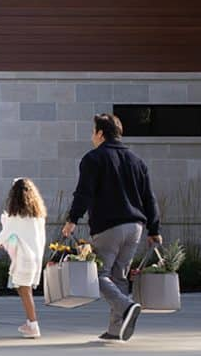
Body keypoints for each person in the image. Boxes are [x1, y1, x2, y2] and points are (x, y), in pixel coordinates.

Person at [63, 113, 162, 342]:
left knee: (95, 274)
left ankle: (126, 307)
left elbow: (83, 193)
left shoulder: (93, 159)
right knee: (119, 277)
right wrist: (154, 229)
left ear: (100, 133)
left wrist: (72, 219)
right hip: (136, 227)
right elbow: (149, 198)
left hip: (109, 226)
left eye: (92, 132)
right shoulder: (137, 161)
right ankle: (116, 329)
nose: (91, 137)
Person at [0, 178, 47, 339]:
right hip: (35, 258)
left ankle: (33, 324)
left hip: (23, 258)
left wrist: (4, 223)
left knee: (24, 292)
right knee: (26, 290)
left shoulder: (15, 217)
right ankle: (30, 323)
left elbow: (3, 237)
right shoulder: (38, 217)